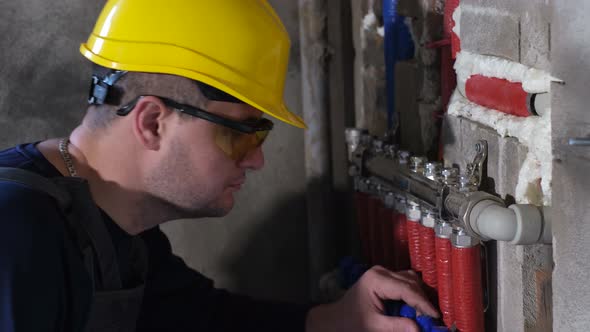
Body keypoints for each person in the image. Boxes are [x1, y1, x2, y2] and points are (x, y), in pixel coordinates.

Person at [0, 0, 438, 331]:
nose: (257, 158)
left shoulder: (120, 227)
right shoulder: (15, 231)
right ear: (153, 122)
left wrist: (339, 319)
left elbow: (202, 319)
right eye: (240, 134)